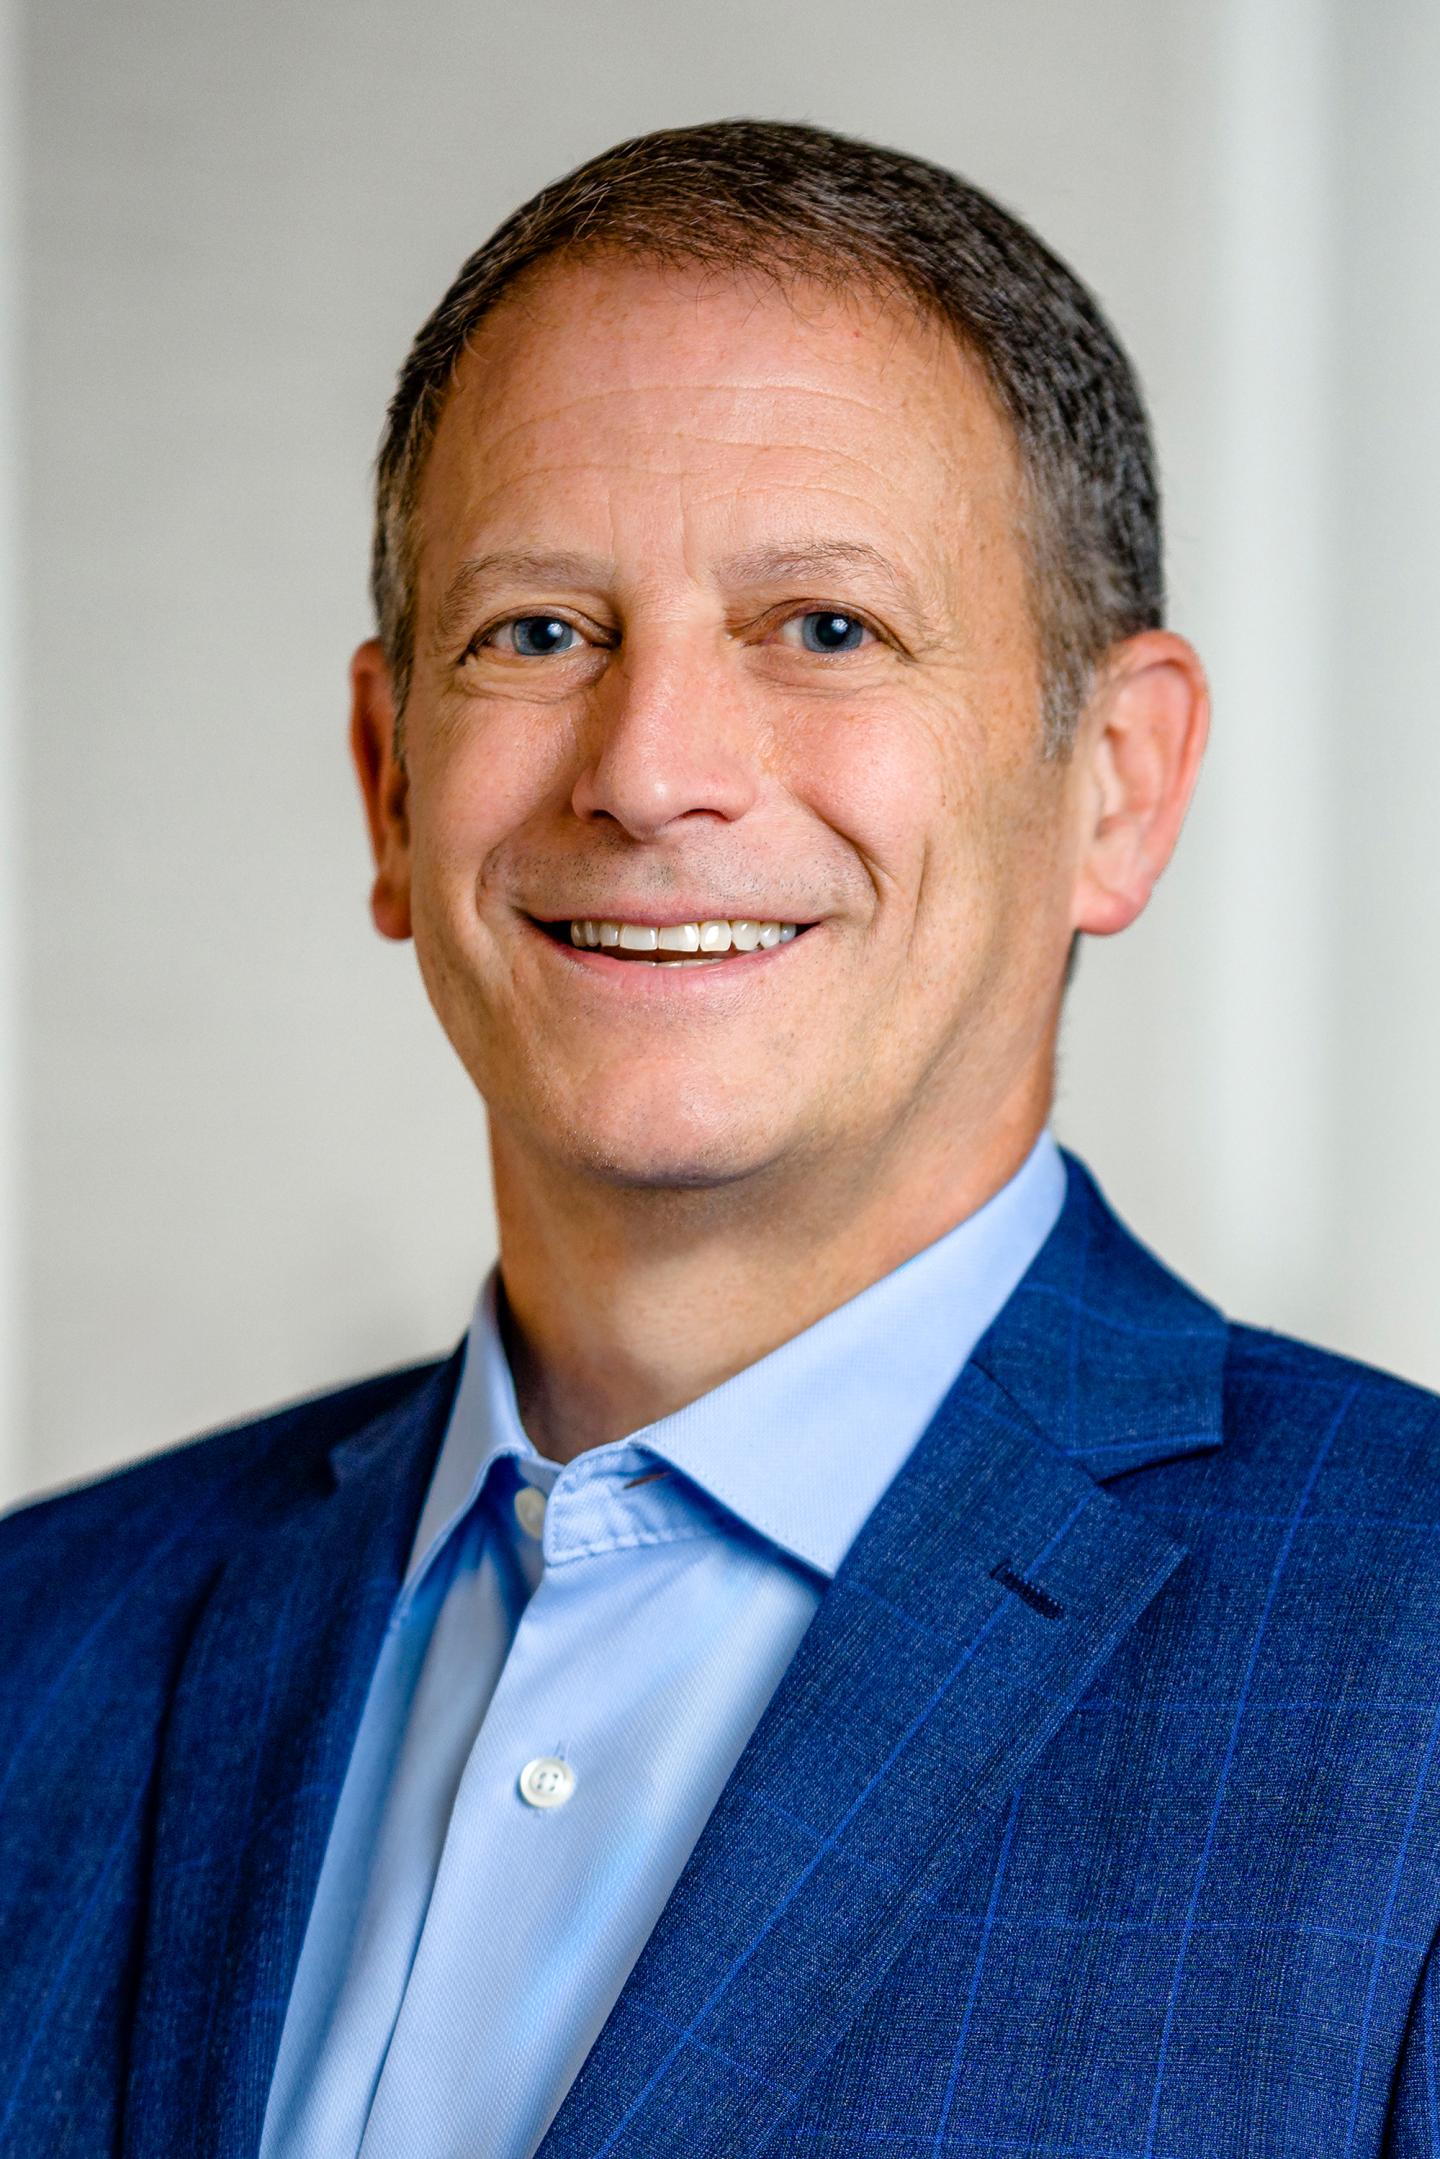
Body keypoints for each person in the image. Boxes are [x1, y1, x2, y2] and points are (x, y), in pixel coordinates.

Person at [2, 117, 1437, 2159]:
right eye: (538, 632)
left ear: (1117, 783)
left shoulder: (1414, 1677)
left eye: (823, 628)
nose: (653, 769)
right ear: (390, 783)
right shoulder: (35, 1653)